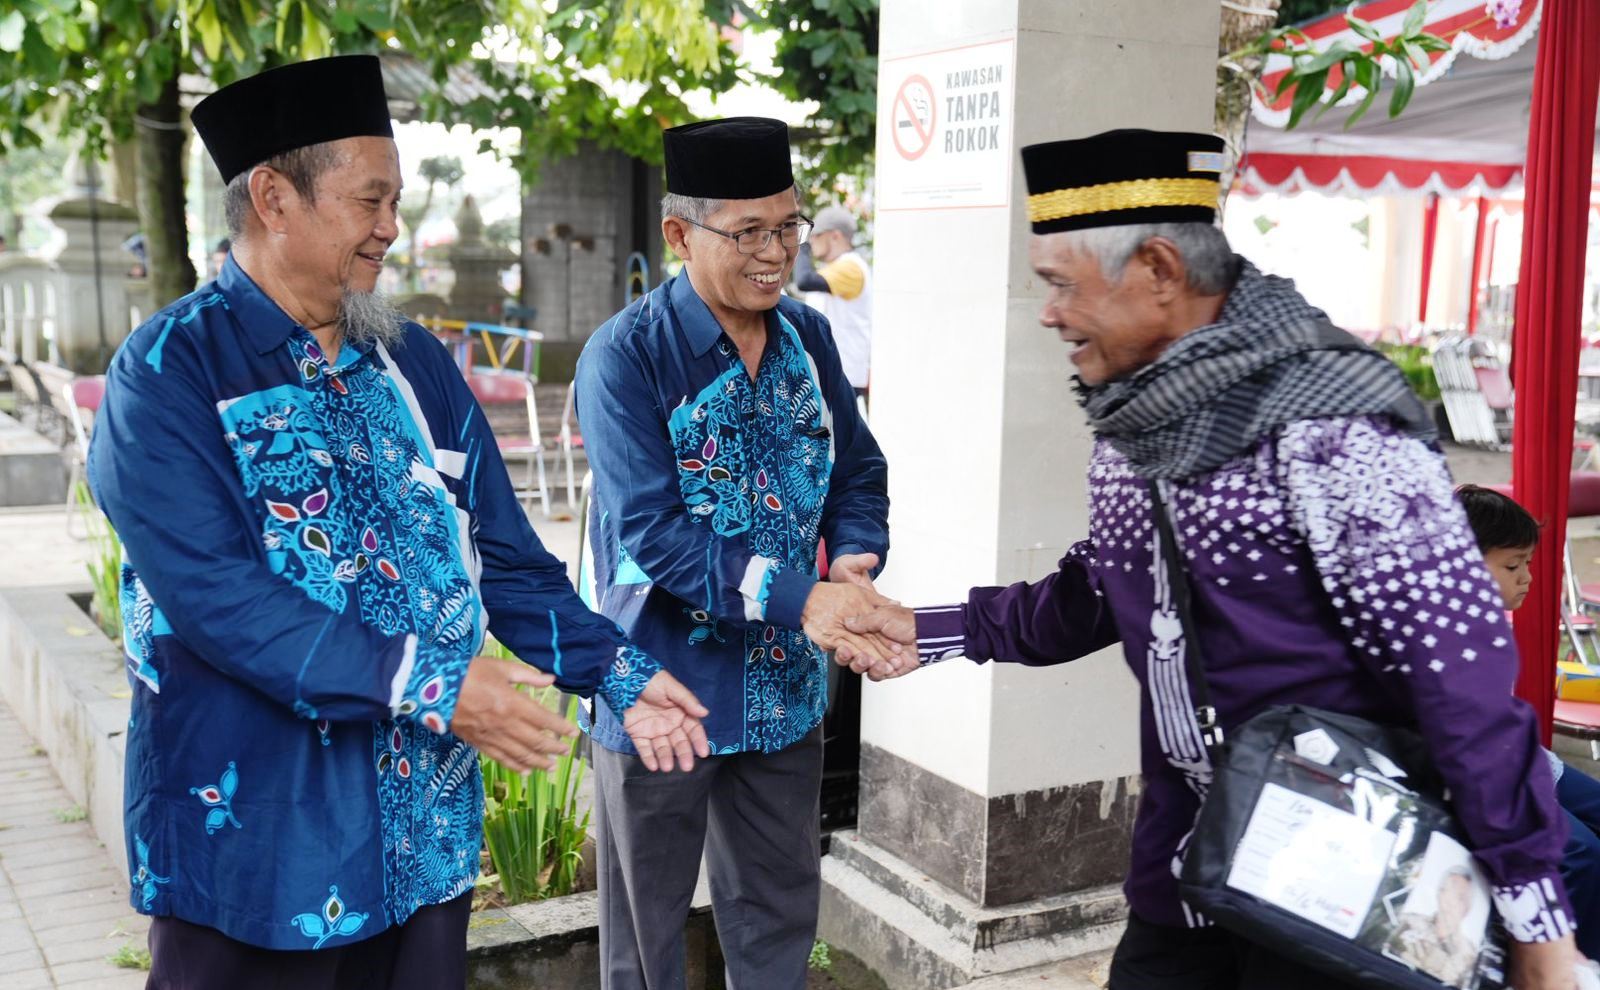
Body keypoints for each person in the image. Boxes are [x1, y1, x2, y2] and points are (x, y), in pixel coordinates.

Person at [842, 129, 1581, 990]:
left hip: (1339, 894)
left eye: (1062, 285)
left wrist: (1539, 921)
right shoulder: (1130, 425)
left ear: (1159, 268)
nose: (1048, 312)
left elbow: (1460, 674)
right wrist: (923, 629)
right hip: (1187, 876)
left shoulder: (1335, 427)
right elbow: (1093, 592)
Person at [87, 55, 709, 989]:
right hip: (258, 845)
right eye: (369, 200)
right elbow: (217, 598)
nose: (391, 226)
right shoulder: (171, 371)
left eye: (396, 199)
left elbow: (506, 559)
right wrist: (435, 684)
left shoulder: (411, 363)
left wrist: (617, 670)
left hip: (424, 844)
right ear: (273, 198)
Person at [574, 116, 892, 990]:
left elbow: (858, 468)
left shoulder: (809, 338)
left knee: (779, 921)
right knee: (646, 944)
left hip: (784, 691)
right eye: (747, 231)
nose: (775, 252)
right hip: (661, 695)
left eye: (788, 227)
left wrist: (853, 562)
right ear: (680, 233)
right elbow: (656, 534)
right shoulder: (626, 356)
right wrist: (807, 600)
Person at [1459, 483, 1600, 963]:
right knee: (1580, 854)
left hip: (1523, 760)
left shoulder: (1486, 627)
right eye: (1513, 566)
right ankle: (1573, 965)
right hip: (1490, 776)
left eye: (1529, 564)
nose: (1528, 579)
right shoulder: (1439, 637)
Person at [793, 205, 872, 401]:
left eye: (815, 235)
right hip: (833, 373)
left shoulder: (851, 268)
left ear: (835, 236)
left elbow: (804, 281)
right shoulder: (836, 268)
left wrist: (802, 245)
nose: (811, 241)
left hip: (845, 376)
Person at [1385, 865, 1483, 988]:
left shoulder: (1470, 955)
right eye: (1448, 891)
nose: (1451, 902)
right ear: (1439, 894)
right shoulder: (1409, 921)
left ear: (1467, 907)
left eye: (1460, 897)